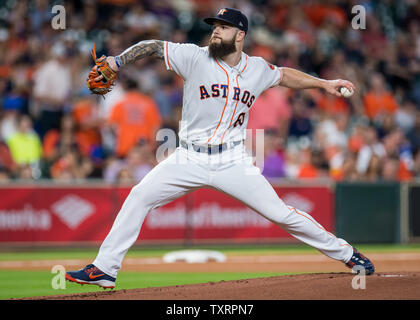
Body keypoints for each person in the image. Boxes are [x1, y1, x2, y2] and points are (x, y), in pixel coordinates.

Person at [66, 8, 374, 289]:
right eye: (214, 26)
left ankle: (347, 253)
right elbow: (154, 46)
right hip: (187, 156)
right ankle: (105, 268)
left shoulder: (256, 68)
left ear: (240, 35)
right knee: (138, 196)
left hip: (232, 160)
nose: (216, 31)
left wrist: (324, 84)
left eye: (223, 27)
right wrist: (118, 61)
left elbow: (284, 76)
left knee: (281, 213)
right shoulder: (194, 57)